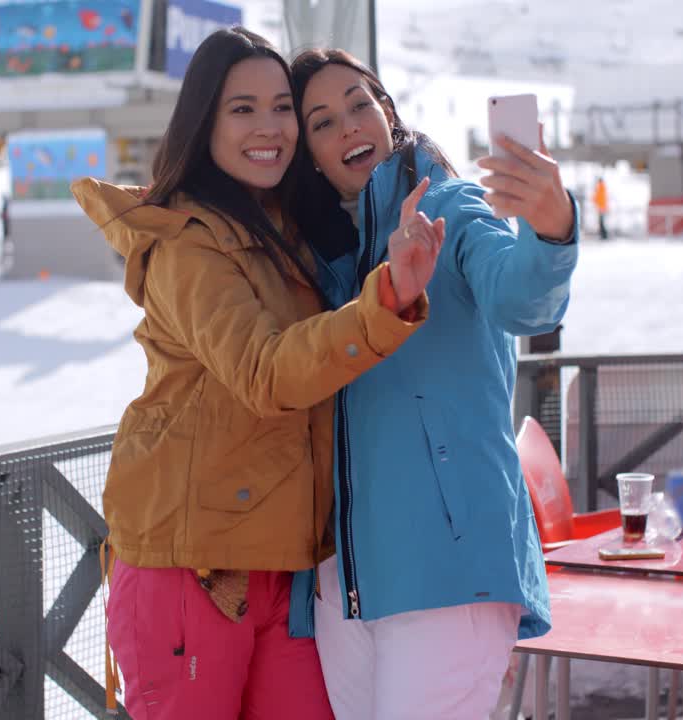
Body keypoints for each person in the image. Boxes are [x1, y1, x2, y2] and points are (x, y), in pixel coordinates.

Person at [69, 28, 443, 720]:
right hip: (192, 566)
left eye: (282, 109)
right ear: (203, 121)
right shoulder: (190, 244)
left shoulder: (282, 231)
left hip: (280, 565)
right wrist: (384, 303)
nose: (270, 128)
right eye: (243, 109)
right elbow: (264, 371)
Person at [288, 48, 578, 719]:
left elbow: (517, 298)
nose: (349, 127)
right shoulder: (320, 252)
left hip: (447, 570)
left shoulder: (448, 206)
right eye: (323, 122)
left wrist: (550, 225)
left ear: (388, 113)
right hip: (346, 583)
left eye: (360, 104)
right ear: (310, 152)